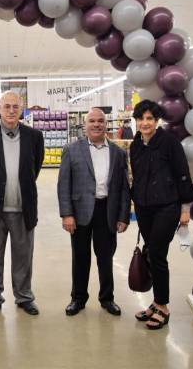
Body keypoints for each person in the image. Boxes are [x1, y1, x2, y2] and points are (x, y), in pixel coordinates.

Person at [0, 91, 45, 318]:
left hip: (23, 208)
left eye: (15, 106)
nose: (11, 110)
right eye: (7, 106)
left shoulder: (34, 136)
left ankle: (24, 297)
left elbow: (35, 168)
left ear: (21, 108)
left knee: (23, 255)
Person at [57, 108, 131, 317]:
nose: (97, 124)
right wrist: (67, 214)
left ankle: (107, 298)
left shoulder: (118, 153)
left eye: (100, 121)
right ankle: (78, 298)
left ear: (106, 124)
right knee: (80, 257)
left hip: (106, 210)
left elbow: (124, 188)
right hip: (80, 212)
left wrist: (123, 216)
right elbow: (64, 185)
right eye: (92, 121)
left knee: (105, 257)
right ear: (85, 125)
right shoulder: (72, 150)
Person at [130, 99, 193, 330]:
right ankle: (155, 304)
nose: (145, 123)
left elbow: (182, 174)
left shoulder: (169, 142)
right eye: (141, 118)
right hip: (144, 208)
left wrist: (185, 209)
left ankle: (163, 306)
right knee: (151, 253)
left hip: (167, 207)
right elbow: (137, 176)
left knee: (157, 254)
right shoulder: (136, 145)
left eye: (149, 118)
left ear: (156, 121)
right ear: (136, 121)